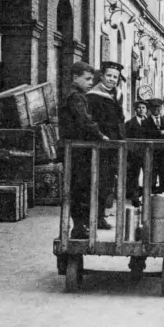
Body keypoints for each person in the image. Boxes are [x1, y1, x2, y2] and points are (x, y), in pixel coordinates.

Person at [58, 62, 108, 240]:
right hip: (78, 152)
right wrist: (100, 135)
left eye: (91, 79)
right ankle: (79, 227)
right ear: (74, 78)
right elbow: (84, 121)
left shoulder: (72, 96)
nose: (90, 83)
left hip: (74, 150)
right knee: (80, 189)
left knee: (77, 189)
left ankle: (80, 226)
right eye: (87, 79)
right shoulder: (76, 97)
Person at [87, 62, 127, 230]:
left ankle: (101, 216)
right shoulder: (93, 95)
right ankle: (92, 218)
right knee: (96, 181)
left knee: (108, 182)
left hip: (114, 144)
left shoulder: (118, 94)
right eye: (109, 75)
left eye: (115, 77)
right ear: (102, 76)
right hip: (100, 143)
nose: (112, 79)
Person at [142, 99, 164, 193]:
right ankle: (150, 195)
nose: (156, 109)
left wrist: (156, 134)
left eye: (158, 107)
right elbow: (145, 134)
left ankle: (163, 194)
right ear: (150, 109)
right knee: (151, 175)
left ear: (161, 108)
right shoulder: (145, 122)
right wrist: (160, 132)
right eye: (154, 107)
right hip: (151, 153)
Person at [124, 99, 147, 206]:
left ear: (146, 110)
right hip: (134, 154)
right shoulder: (129, 124)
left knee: (148, 176)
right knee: (134, 177)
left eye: (143, 108)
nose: (141, 110)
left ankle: (148, 198)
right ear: (135, 110)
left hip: (147, 153)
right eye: (139, 108)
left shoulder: (150, 122)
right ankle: (135, 199)